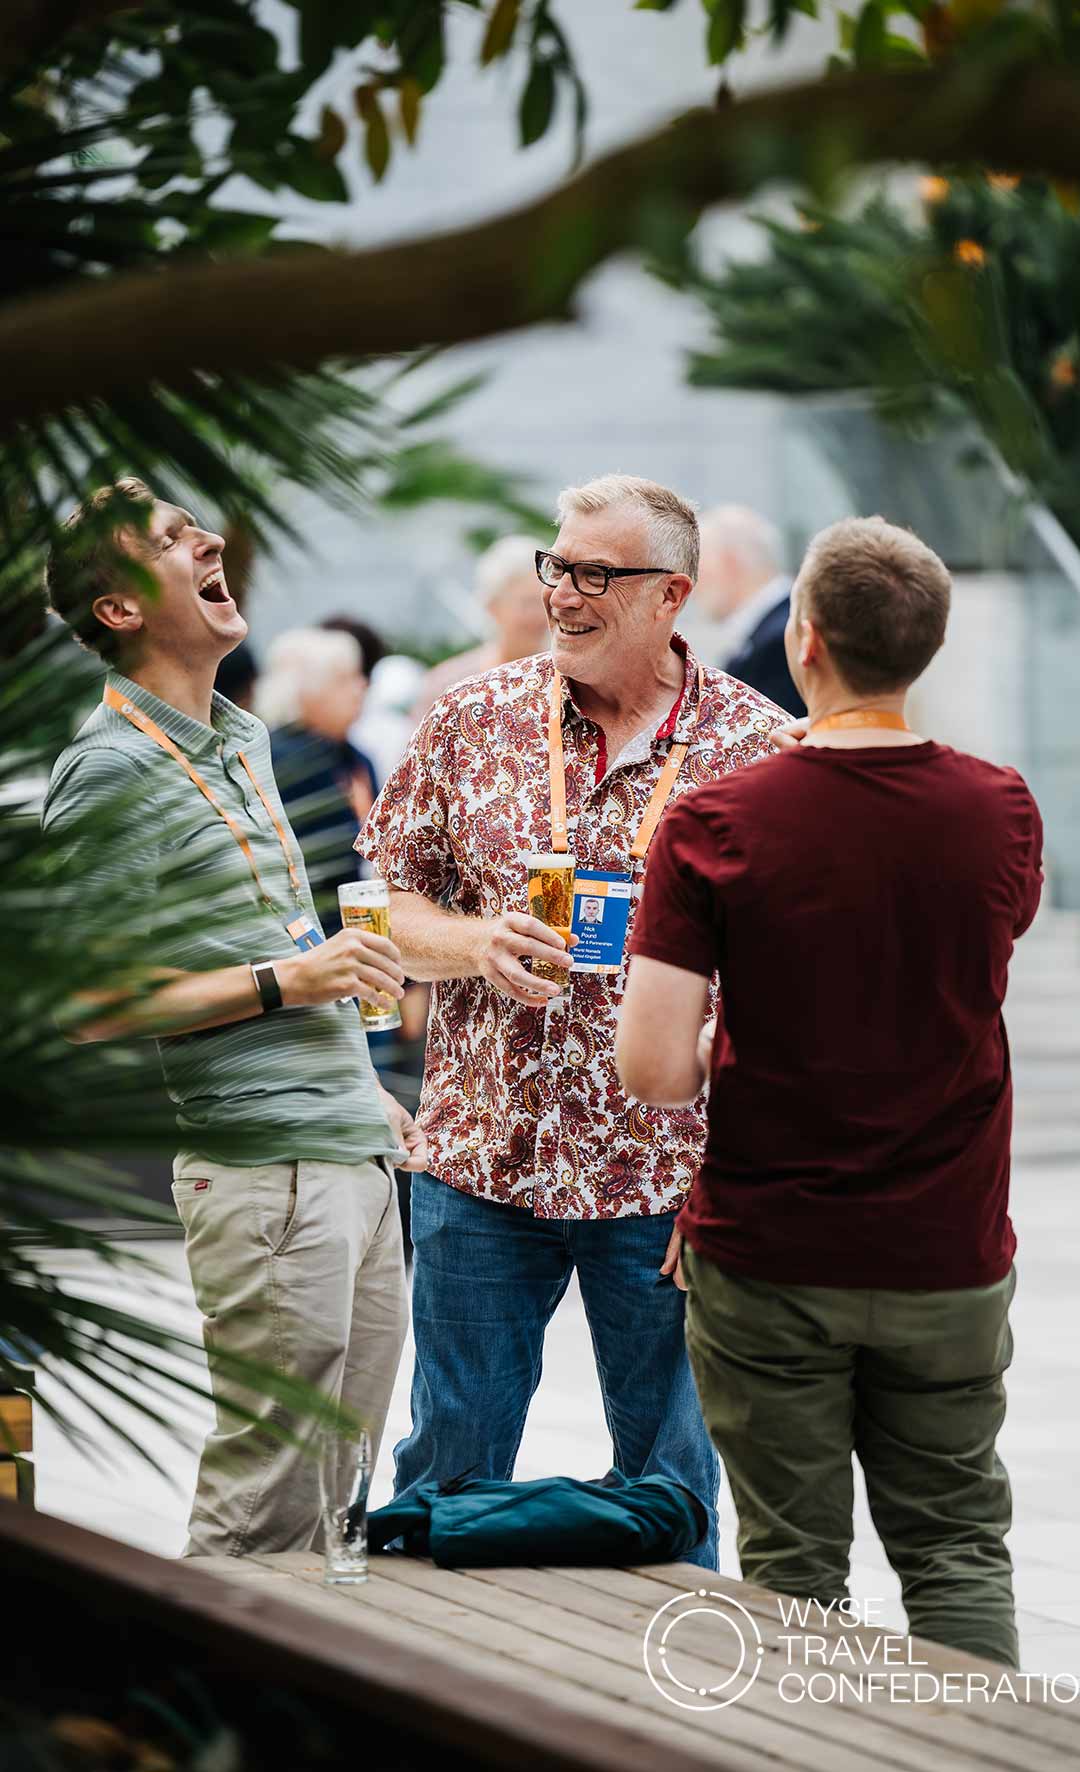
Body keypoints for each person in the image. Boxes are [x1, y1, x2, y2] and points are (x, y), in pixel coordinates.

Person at [617, 515, 1043, 1664]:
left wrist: (742, 1039)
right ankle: (989, 1744)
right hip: (947, 1247)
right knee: (955, 1546)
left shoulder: (713, 822)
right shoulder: (998, 806)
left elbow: (652, 1068)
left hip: (771, 1247)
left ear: (802, 639)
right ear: (925, 646)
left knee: (794, 1565)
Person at [357, 474, 787, 1569]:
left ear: (670, 594)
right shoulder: (470, 720)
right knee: (444, 1477)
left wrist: (745, 1177)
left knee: (673, 1493)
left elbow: (793, 982)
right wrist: (473, 943)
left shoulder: (760, 751)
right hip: (480, 1166)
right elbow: (386, 907)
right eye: (558, 565)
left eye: (596, 573)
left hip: (665, 1180)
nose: (563, 592)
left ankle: (673, 1675)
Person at [41, 478, 428, 1558]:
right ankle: (189, 1666)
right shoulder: (110, 766)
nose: (209, 538)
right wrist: (285, 983)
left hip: (348, 1153)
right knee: (263, 1506)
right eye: (173, 538)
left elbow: (276, 938)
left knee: (334, 1505)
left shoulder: (242, 737)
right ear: (119, 608)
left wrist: (359, 1088)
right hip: (263, 1174)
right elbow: (84, 1000)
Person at [255, 628, 378, 930]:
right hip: (312, 924)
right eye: (344, 679)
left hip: (361, 914)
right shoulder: (286, 759)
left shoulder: (354, 756)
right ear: (305, 691)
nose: (362, 686)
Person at [409, 533, 551, 722]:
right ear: (492, 606)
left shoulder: (569, 682)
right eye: (527, 603)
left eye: (544, 602)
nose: (539, 615)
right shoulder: (449, 684)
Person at [696, 504, 806, 718]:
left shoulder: (782, 639)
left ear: (729, 562)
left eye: (698, 567)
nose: (693, 585)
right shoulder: (779, 626)